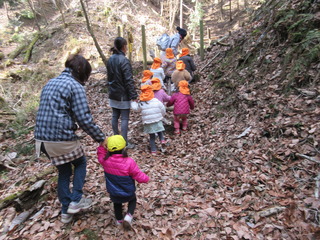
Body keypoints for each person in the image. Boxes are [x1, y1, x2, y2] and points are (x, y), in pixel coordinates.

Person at [34, 54, 105, 224]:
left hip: (41, 139)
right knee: (80, 162)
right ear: (81, 71)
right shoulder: (74, 86)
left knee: (64, 171)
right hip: (60, 137)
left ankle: (66, 211)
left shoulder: (50, 82)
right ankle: (76, 199)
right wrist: (101, 139)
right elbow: (84, 118)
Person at [97, 135, 149, 230]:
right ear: (124, 148)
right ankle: (128, 216)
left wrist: (101, 146)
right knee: (132, 200)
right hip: (127, 190)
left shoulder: (106, 161)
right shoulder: (129, 162)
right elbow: (137, 174)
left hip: (113, 191)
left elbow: (100, 155)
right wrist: (145, 179)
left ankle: (119, 220)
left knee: (117, 204)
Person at [107, 37, 138, 148]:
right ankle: (124, 142)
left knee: (115, 116)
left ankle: (116, 139)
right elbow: (128, 79)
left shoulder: (110, 59)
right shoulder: (124, 60)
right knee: (124, 118)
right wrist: (133, 95)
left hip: (112, 92)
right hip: (122, 94)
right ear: (124, 47)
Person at [131, 85, 166, 155]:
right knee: (159, 130)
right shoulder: (156, 100)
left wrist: (133, 102)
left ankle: (153, 150)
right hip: (157, 119)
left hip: (148, 122)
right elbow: (163, 109)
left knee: (152, 137)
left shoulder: (141, 103)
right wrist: (162, 116)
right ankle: (162, 139)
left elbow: (136, 109)